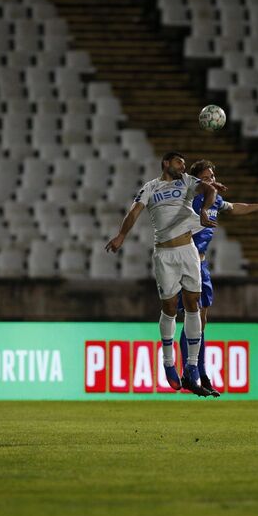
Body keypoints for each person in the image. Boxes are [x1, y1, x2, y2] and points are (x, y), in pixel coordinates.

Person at [105, 151, 219, 396]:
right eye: (179, 162)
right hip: (164, 254)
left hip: (188, 250)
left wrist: (204, 210)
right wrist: (121, 235)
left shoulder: (187, 181)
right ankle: (168, 363)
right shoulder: (150, 188)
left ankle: (191, 366)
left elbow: (210, 190)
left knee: (193, 305)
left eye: (185, 164)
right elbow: (134, 212)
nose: (183, 166)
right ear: (166, 163)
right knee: (169, 308)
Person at [178, 159, 258, 396]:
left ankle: (201, 373)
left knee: (201, 322)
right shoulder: (190, 198)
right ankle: (189, 373)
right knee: (193, 320)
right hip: (186, 263)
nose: (211, 180)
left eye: (212, 176)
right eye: (206, 178)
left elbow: (234, 207)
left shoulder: (214, 199)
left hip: (201, 265)